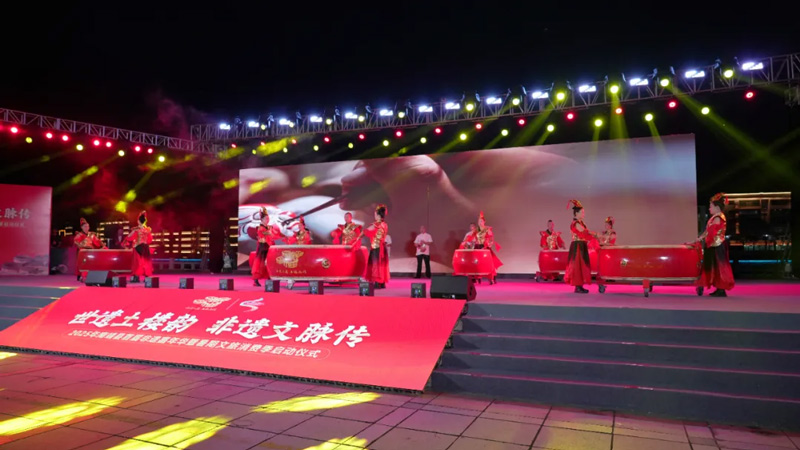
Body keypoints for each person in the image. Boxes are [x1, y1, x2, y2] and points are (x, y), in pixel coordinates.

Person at [696, 193, 735, 297]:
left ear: (717, 207)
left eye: (711, 206)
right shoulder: (715, 217)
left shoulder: (718, 217)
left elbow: (711, 232)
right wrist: (701, 238)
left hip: (717, 245)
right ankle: (719, 289)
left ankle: (721, 289)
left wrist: (702, 238)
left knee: (719, 267)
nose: (709, 209)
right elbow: (708, 231)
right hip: (715, 245)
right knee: (716, 267)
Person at [565, 200, 596, 293]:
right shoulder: (575, 223)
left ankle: (580, 285)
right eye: (582, 212)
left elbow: (586, 234)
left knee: (581, 265)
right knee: (577, 265)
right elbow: (585, 232)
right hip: (577, 246)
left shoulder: (581, 223)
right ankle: (578, 286)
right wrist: (596, 235)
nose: (583, 214)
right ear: (576, 213)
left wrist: (594, 236)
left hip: (581, 245)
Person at [359, 204, 389, 288]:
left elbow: (366, 231)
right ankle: (382, 282)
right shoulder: (385, 224)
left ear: (378, 214)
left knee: (375, 265)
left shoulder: (376, 224)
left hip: (376, 247)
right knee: (381, 265)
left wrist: (359, 235)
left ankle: (376, 281)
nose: (374, 215)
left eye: (375, 214)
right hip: (382, 247)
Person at [251, 207, 283, 287]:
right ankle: (256, 279)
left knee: (270, 262)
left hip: (270, 246)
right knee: (260, 262)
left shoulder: (270, 227)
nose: (267, 220)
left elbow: (275, 234)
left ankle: (270, 277)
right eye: (266, 218)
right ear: (262, 219)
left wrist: (282, 235)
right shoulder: (260, 228)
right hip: (263, 246)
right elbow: (266, 234)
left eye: (268, 218)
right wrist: (271, 233)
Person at [473, 212, 503, 284]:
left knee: (489, 263)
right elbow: (473, 238)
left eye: (481, 221)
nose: (480, 222)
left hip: (485, 247)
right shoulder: (476, 230)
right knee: (477, 263)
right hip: (477, 247)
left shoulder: (487, 229)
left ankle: (492, 278)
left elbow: (491, 239)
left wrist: (488, 244)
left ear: (484, 222)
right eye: (479, 221)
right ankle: (477, 277)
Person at [124, 212, 153, 283]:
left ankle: (136, 277)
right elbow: (150, 239)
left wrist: (133, 231)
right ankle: (147, 278)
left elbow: (129, 237)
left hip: (137, 247)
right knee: (145, 262)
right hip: (145, 247)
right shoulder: (147, 230)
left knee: (137, 263)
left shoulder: (137, 229)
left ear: (138, 221)